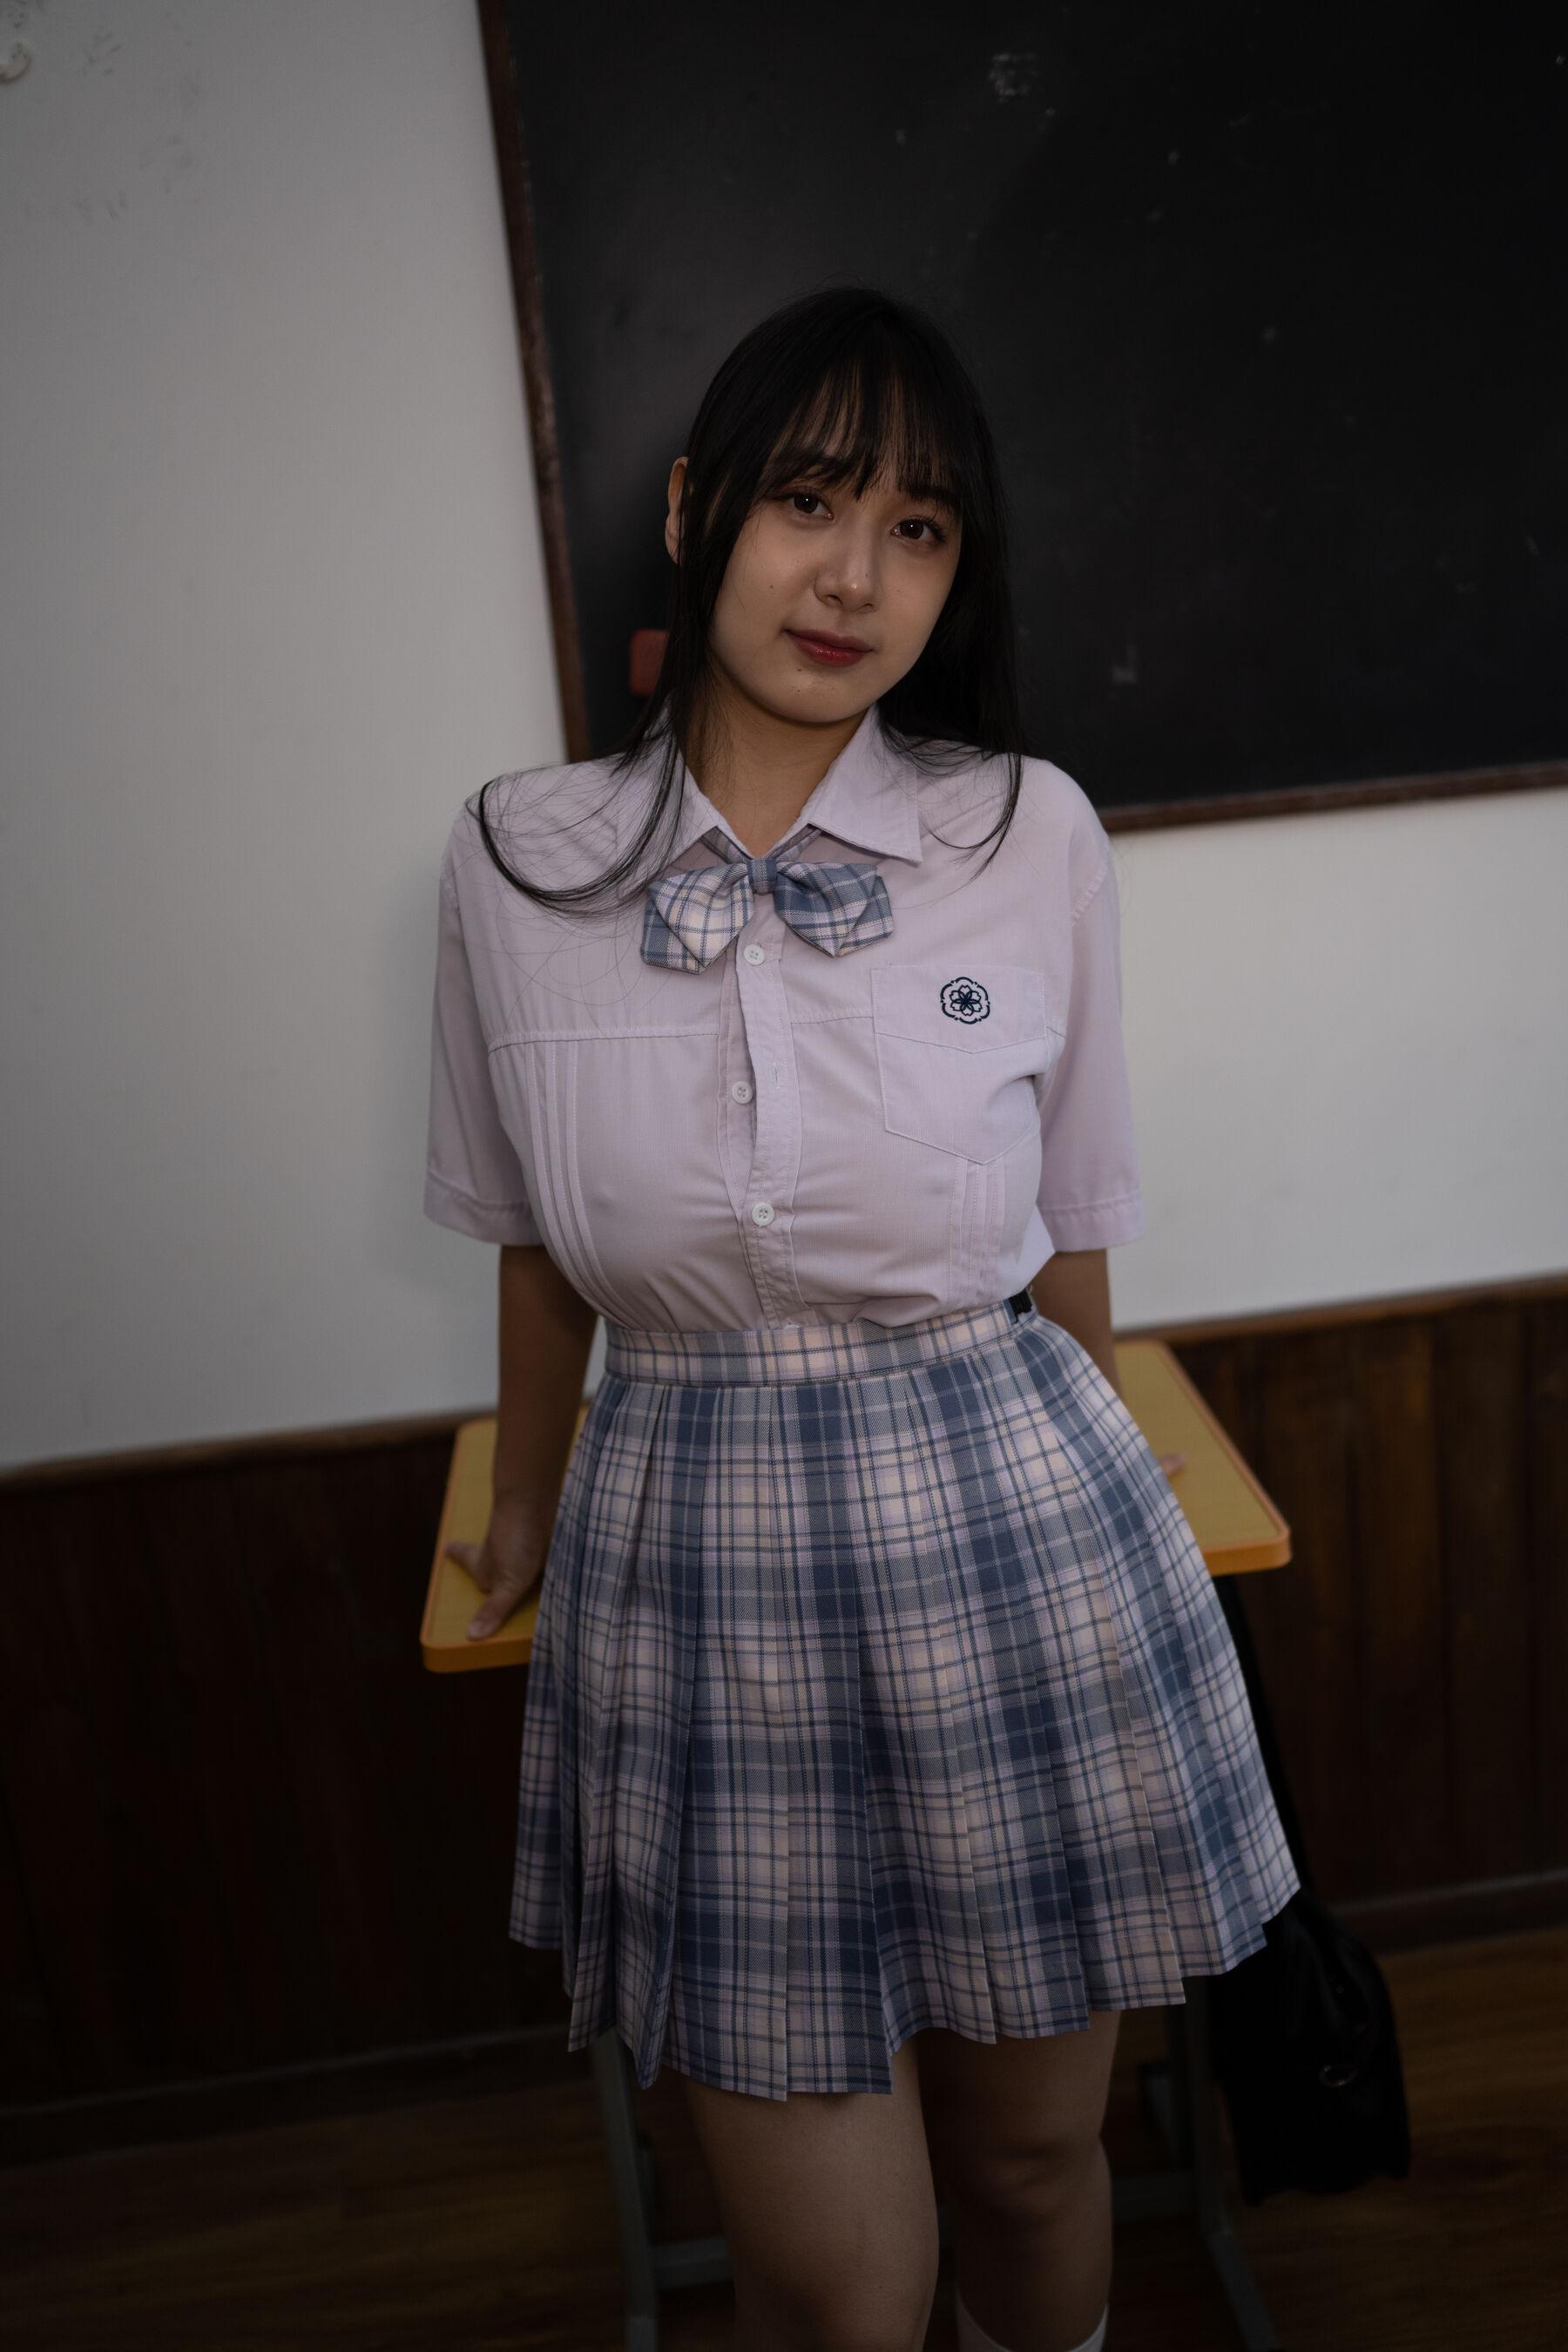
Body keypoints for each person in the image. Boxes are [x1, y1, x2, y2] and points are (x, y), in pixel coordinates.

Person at [423, 285, 1300, 2352]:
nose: (855, 577)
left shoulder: (1027, 829)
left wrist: (1127, 1473)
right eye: (810, 502)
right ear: (692, 508)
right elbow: (531, 1237)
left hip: (1010, 1532)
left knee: (1032, 2169)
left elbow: (1068, 1219)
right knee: (840, 2282)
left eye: (918, 529)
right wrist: (527, 1506)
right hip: (696, 1564)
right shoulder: (517, 859)